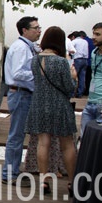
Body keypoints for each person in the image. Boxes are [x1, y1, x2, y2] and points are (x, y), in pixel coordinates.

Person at [25, 26, 78, 193]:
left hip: (39, 104)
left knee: (43, 142)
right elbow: (69, 88)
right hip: (59, 105)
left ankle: (44, 180)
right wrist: (74, 78)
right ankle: (72, 182)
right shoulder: (61, 62)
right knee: (67, 144)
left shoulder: (35, 60)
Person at [2, 16, 42, 186]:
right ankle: (10, 173)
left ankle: (13, 171)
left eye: (39, 28)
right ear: (25, 30)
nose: (39, 31)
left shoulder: (27, 47)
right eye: (35, 28)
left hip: (23, 93)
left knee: (18, 135)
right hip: (21, 93)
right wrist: (39, 73)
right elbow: (18, 73)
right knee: (16, 136)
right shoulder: (21, 48)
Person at [71, 31, 90, 97]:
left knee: (73, 76)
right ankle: (80, 93)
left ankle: (72, 93)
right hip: (85, 60)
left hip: (77, 59)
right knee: (82, 77)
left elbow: (70, 49)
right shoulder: (85, 41)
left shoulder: (75, 41)